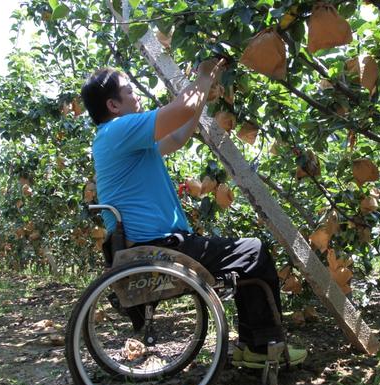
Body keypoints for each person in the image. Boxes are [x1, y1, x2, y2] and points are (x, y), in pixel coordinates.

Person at [80, 59, 306, 366]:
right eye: (129, 91)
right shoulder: (117, 130)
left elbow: (178, 136)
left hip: (152, 246)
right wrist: (203, 76)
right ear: (113, 105)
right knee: (253, 252)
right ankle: (263, 348)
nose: (137, 96)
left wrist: (202, 98)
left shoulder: (123, 142)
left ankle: (254, 345)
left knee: (241, 256)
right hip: (159, 248)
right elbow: (181, 110)